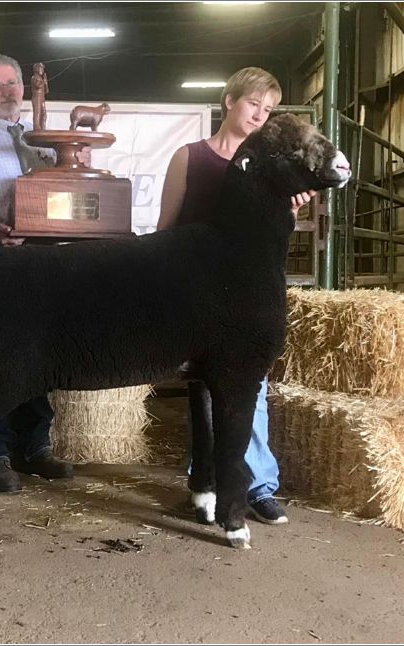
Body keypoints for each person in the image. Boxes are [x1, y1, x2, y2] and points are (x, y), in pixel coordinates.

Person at [157, 66, 315, 525]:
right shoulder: (190, 157)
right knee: (200, 389)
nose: (259, 116)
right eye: (252, 105)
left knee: (250, 387)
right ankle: (204, 481)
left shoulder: (270, 166)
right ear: (229, 102)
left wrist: (288, 205)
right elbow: (168, 223)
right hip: (195, 286)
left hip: (245, 290)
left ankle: (257, 485)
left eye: (267, 110)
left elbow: (272, 230)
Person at [0, 53, 74, 493]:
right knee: (0, 358)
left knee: (42, 354)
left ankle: (36, 448)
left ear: (26, 88)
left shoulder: (51, 140)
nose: (7, 92)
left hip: (45, 260)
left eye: (13, 84)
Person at [31, 62, 48, 131]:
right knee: (37, 113)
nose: (42, 70)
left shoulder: (41, 79)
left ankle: (42, 127)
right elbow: (38, 85)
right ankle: (37, 127)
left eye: (43, 69)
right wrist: (43, 81)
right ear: (36, 69)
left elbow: (46, 91)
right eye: (41, 68)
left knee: (44, 113)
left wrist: (45, 82)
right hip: (37, 97)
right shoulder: (34, 77)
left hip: (42, 98)